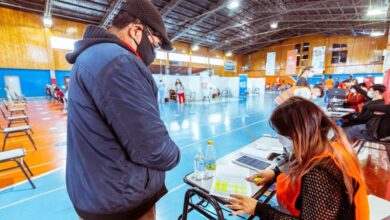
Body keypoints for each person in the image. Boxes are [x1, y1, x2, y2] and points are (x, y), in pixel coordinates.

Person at [65, 0, 180, 219]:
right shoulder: (119, 63)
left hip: (99, 191)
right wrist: (174, 154)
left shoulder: (93, 57)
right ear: (137, 30)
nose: (153, 53)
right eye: (154, 45)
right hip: (123, 199)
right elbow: (152, 147)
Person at [228, 97, 369, 219]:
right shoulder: (326, 143)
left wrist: (259, 209)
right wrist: (275, 172)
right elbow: (295, 159)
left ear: (298, 134)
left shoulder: (320, 172)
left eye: (283, 134)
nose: (280, 138)